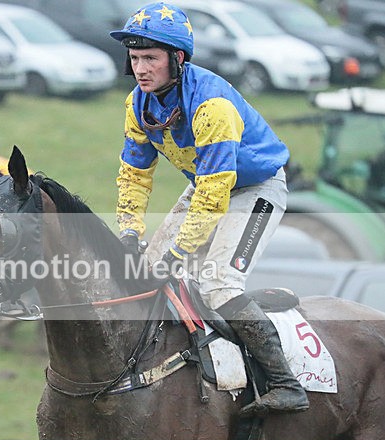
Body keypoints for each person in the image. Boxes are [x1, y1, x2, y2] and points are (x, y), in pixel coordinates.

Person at [110, 2, 308, 416]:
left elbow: (216, 194)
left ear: (177, 59)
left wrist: (178, 254)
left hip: (255, 188)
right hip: (208, 185)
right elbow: (134, 173)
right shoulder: (137, 105)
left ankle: (286, 383)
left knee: (217, 284)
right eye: (134, 58)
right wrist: (129, 231)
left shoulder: (211, 106)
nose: (140, 68)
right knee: (146, 273)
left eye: (150, 58)